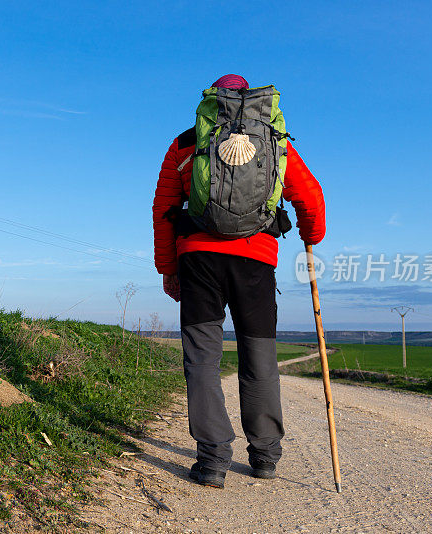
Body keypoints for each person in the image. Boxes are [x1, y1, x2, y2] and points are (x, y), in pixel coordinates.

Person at [152, 74, 326, 488]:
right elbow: (311, 197)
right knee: (259, 359)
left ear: (213, 102)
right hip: (256, 262)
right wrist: (310, 235)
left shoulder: (186, 143)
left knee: (202, 361)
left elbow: (164, 207)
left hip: (198, 260)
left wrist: (168, 267)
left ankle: (213, 460)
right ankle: (265, 455)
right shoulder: (276, 142)